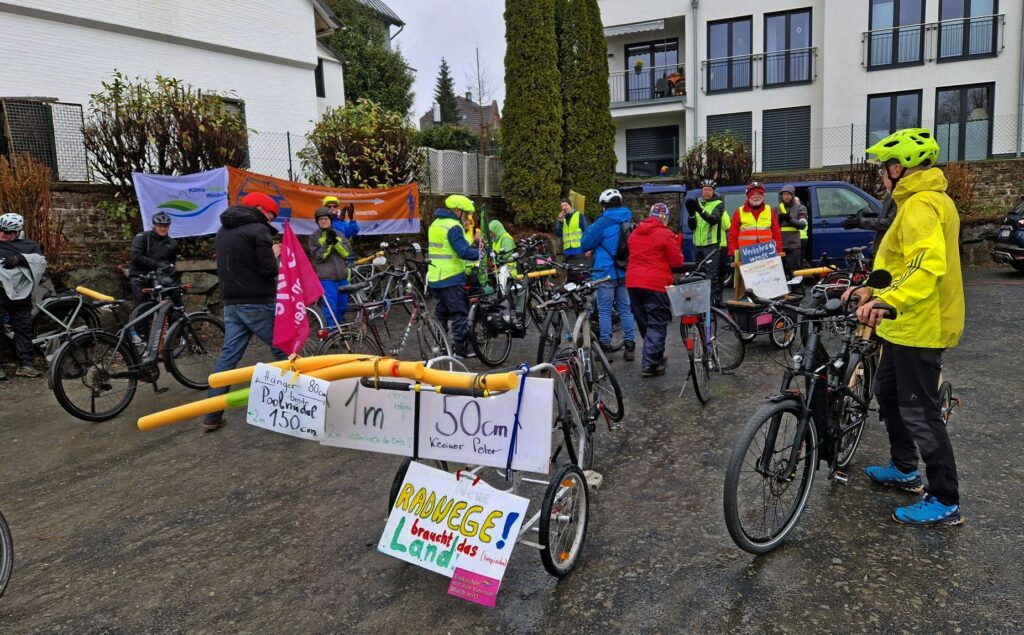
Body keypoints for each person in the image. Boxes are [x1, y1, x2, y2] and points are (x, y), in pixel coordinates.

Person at [846, 128, 965, 526]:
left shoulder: (921, 205)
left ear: (899, 168)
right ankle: (904, 467)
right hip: (902, 323)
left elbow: (927, 264)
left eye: (884, 169)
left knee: (919, 411)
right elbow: (897, 265)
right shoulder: (918, 201)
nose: (882, 176)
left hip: (919, 323)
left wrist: (888, 300)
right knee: (888, 392)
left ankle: (945, 498)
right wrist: (869, 289)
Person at [202, 192, 287, 431]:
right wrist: (276, 254)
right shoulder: (258, 230)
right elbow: (268, 270)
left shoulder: (222, 231)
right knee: (285, 350)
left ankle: (211, 414)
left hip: (231, 303)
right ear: (260, 208)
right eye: (271, 215)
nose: (270, 220)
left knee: (228, 358)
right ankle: (307, 407)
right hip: (258, 301)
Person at [580, 188, 637, 361]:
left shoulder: (603, 221)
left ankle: (605, 349)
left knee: (604, 311)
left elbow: (585, 244)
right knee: (625, 309)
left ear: (604, 205)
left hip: (605, 272)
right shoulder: (629, 218)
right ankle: (630, 347)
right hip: (624, 270)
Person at [626, 203, 683, 377]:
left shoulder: (635, 233)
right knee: (657, 323)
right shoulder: (665, 234)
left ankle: (655, 354)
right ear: (664, 217)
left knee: (644, 322)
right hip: (655, 284)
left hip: (633, 283)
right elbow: (676, 261)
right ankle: (650, 364)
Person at [427, 194, 480, 358]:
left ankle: (441, 348)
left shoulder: (435, 224)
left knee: (441, 315)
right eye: (466, 213)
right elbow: (463, 251)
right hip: (451, 277)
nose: (467, 217)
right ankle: (460, 350)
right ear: (458, 210)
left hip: (435, 278)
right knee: (459, 315)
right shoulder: (453, 226)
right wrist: (480, 253)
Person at [0, 212, 44, 378]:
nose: (2, 235)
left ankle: (26, 365)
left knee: (23, 328)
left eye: (7, 232)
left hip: (20, 294)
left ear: (16, 232)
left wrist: (21, 259)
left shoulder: (29, 246)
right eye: (0, 230)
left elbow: (40, 263)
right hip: (0, 294)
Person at [727, 182, 783, 299]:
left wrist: (778, 250)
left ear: (763, 196)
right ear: (748, 196)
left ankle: (768, 308)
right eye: (753, 194)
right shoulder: (739, 212)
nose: (756, 196)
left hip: (767, 254)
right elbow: (733, 235)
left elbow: (776, 232)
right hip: (747, 256)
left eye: (759, 194)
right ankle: (749, 308)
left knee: (768, 283)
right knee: (748, 285)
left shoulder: (770, 210)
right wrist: (733, 253)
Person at [128, 212, 179, 338]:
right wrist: (157, 264)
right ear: (154, 225)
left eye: (165, 226)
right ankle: (141, 336)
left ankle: (175, 334)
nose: (163, 228)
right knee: (142, 306)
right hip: (140, 275)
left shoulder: (172, 243)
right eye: (160, 225)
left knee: (170, 302)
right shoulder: (143, 237)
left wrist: (169, 272)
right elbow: (136, 255)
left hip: (159, 277)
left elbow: (170, 262)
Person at [684, 178, 730, 305]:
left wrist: (698, 209)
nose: (706, 192)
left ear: (713, 191)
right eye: (704, 190)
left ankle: (713, 302)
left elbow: (713, 219)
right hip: (698, 244)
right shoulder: (697, 203)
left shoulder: (718, 204)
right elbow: (693, 226)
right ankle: (700, 301)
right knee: (699, 274)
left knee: (711, 275)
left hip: (712, 245)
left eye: (709, 190)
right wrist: (691, 215)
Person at [309, 208, 351, 328]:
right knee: (330, 307)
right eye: (321, 219)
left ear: (330, 220)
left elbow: (347, 254)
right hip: (327, 278)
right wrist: (327, 243)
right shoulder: (314, 237)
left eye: (326, 219)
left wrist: (335, 243)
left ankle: (338, 329)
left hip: (342, 277)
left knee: (342, 306)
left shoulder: (339, 234)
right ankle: (332, 333)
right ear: (317, 222)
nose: (323, 221)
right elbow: (318, 257)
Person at [843, 169, 898, 261]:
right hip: (884, 250)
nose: (882, 176)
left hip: (890, 254)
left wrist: (860, 222)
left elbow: (889, 223)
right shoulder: (891, 195)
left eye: (882, 172)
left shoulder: (897, 197)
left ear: (895, 172)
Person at [777, 185, 808, 276]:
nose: (786, 196)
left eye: (788, 194)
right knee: (780, 273)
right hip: (779, 245)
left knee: (795, 271)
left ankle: (797, 290)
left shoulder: (800, 208)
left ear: (793, 195)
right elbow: (772, 227)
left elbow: (802, 225)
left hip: (794, 244)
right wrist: (778, 220)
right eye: (784, 194)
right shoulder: (776, 209)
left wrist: (789, 219)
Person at [555, 198, 589, 265]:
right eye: (562, 206)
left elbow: (587, 231)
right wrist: (559, 222)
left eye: (566, 205)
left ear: (570, 206)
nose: (564, 207)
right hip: (567, 252)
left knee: (581, 272)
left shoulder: (579, 215)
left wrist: (588, 248)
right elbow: (558, 234)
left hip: (579, 250)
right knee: (570, 274)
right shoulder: (561, 219)